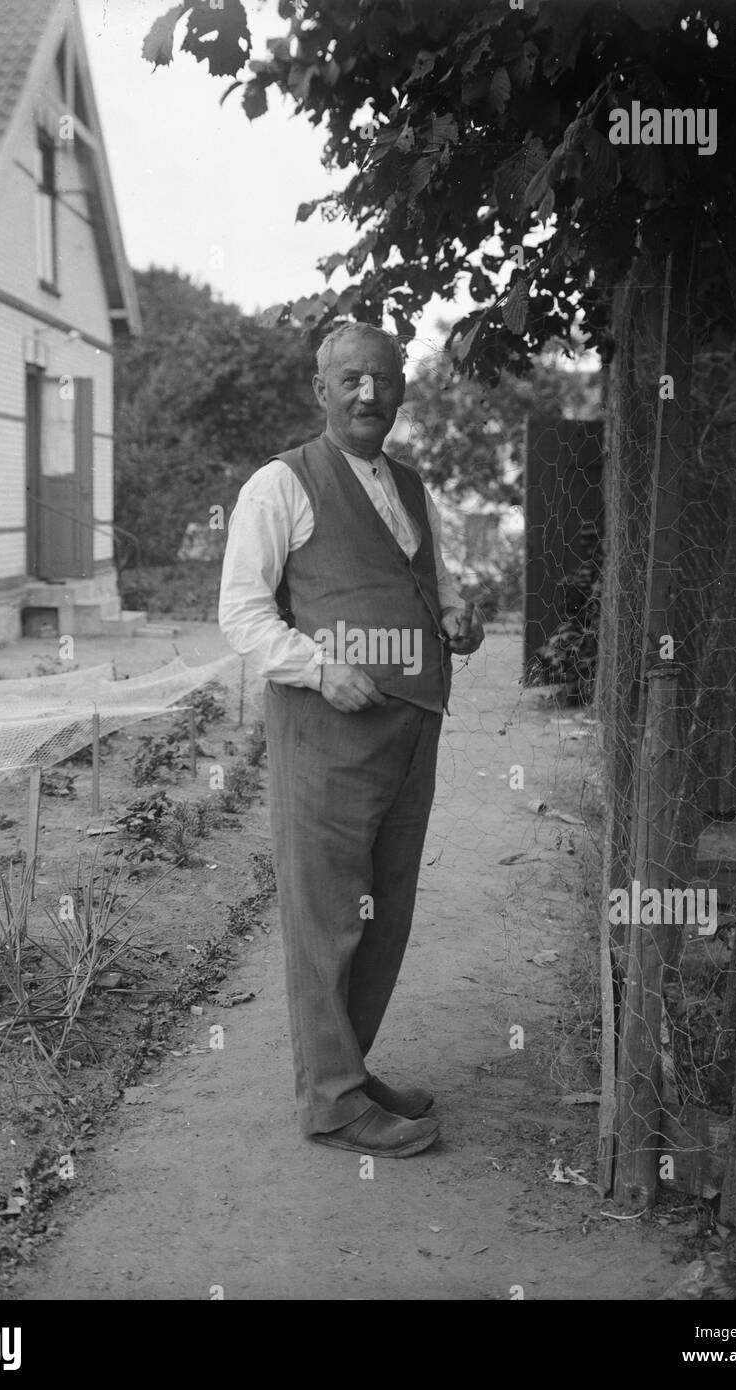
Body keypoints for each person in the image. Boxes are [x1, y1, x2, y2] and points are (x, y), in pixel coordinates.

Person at [219, 322, 484, 1158]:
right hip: (328, 729)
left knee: (385, 912)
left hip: (410, 727)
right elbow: (241, 614)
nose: (369, 395)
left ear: (400, 389)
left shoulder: (409, 485)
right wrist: (319, 667)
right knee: (328, 913)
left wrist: (454, 616)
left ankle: (349, 1070)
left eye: (383, 379)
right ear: (321, 390)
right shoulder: (280, 484)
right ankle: (330, 1105)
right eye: (351, 381)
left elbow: (430, 583)